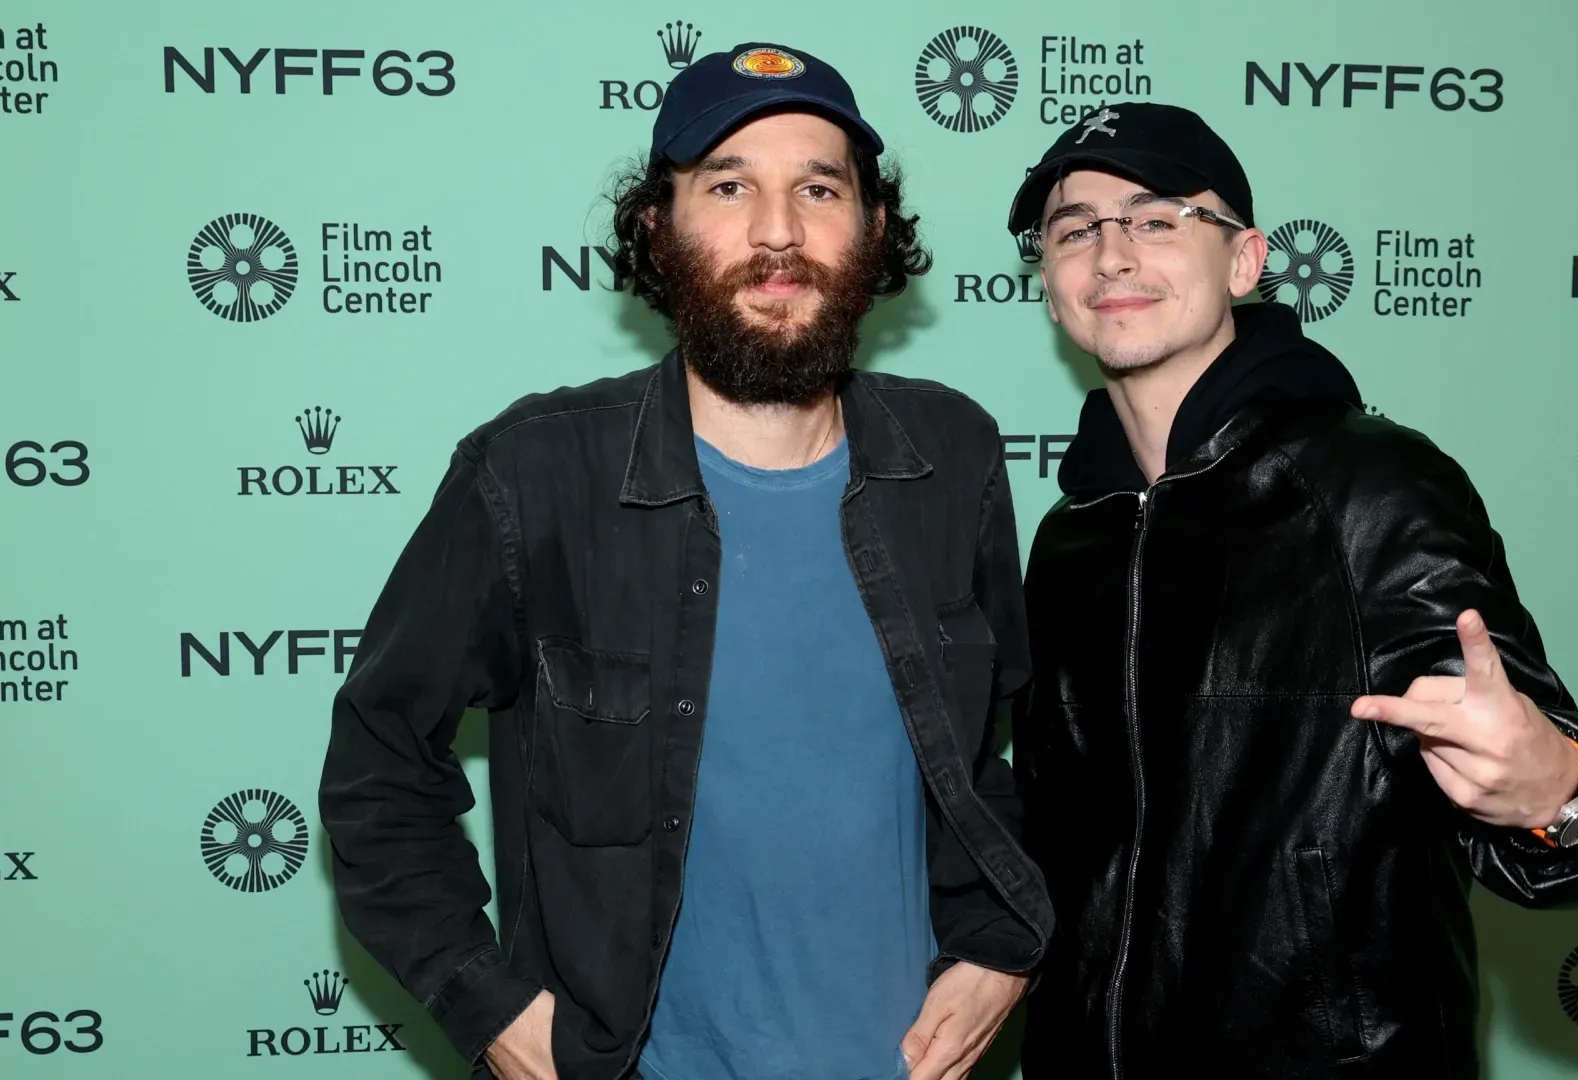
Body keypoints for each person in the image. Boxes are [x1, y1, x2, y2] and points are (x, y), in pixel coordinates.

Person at [318, 42, 1050, 1080]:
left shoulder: (955, 460)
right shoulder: (534, 474)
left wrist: (997, 949)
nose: (777, 231)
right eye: (727, 185)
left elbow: (986, 762)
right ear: (657, 230)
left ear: (873, 228)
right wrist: (490, 1008)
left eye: (819, 187)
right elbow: (379, 763)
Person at [1001, 102, 1578, 1077]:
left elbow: (1552, 793)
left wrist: (1554, 794)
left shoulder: (1369, 487)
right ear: (1053, 286)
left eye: (1156, 218)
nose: (1111, 253)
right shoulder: (1071, 538)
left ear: (1242, 261)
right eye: (1075, 230)